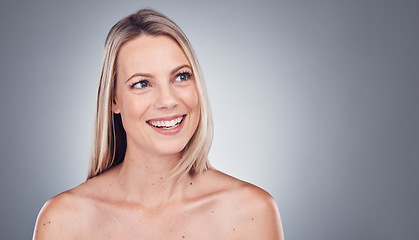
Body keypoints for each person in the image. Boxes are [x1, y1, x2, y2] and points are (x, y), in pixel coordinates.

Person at [33, 8, 284, 239]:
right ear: (113, 100)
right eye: (142, 83)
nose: (168, 100)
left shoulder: (251, 213)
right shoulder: (62, 221)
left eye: (181, 76)